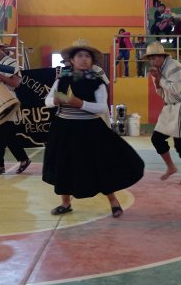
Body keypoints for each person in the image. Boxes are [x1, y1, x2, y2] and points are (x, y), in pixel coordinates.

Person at [43, 39, 144, 217]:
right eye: (79, 56)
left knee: (99, 166)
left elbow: (102, 108)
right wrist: (55, 101)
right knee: (64, 166)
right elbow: (47, 101)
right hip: (64, 129)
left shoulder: (96, 82)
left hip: (89, 130)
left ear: (92, 61)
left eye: (87, 56)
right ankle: (65, 203)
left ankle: (113, 201)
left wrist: (79, 103)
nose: (84, 59)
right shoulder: (62, 79)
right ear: (72, 60)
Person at [145, 41, 181, 185]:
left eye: (155, 57)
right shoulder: (156, 70)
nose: (152, 60)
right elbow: (162, 93)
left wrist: (159, 79)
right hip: (169, 107)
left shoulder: (175, 66)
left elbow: (176, 90)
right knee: (156, 139)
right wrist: (157, 79)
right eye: (150, 58)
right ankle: (171, 167)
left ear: (162, 56)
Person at [0, 37, 31, 175]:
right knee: (8, 136)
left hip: (8, 101)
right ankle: (23, 159)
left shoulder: (11, 63)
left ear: (1, 48)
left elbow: (16, 83)